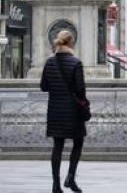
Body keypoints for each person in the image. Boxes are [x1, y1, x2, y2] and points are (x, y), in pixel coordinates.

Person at [40, 30, 87, 193]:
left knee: (57, 146)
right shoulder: (76, 63)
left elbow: (43, 86)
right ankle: (71, 177)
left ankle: (55, 184)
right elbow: (80, 90)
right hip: (73, 111)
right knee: (78, 142)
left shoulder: (50, 63)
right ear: (71, 43)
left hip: (55, 111)